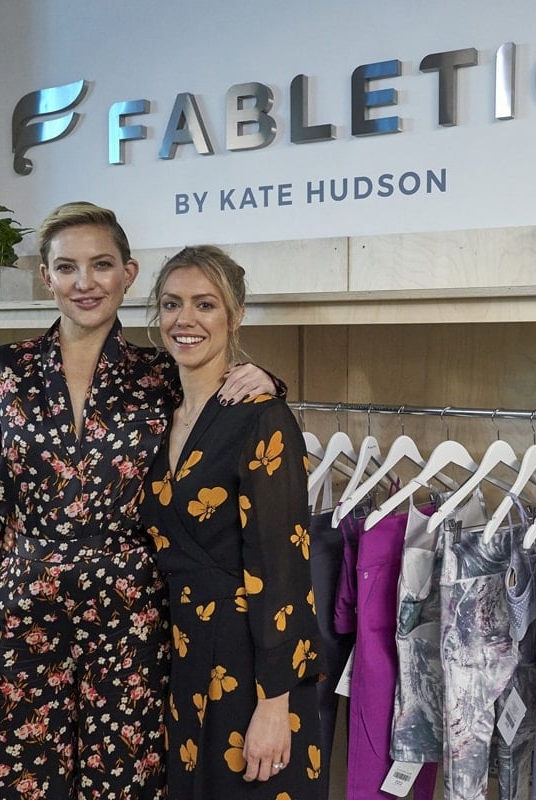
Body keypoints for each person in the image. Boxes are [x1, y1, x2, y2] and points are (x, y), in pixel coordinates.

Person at [0, 202, 282, 799]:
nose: (85, 283)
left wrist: (269, 381)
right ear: (45, 276)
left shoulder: (160, 372)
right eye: (68, 268)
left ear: (128, 274)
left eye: (101, 265)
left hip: (129, 615)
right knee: (20, 781)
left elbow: (222, 403)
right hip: (22, 607)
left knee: (122, 782)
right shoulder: (1, 370)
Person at [138, 245, 324, 798]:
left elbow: (283, 567)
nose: (185, 320)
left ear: (235, 315)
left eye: (205, 305)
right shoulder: (152, 414)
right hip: (177, 655)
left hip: (250, 666)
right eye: (172, 304)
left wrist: (274, 703)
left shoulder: (263, 420)